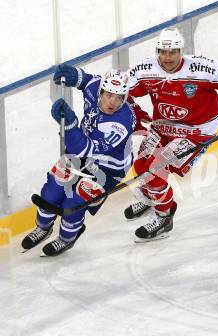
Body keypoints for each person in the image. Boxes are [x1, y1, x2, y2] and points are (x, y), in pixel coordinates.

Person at [124, 28, 218, 242]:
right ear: (157, 51)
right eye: (163, 52)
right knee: (140, 167)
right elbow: (120, 89)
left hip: (195, 132)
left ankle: (164, 216)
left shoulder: (200, 68)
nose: (168, 58)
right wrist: (133, 111)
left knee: (156, 168)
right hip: (162, 126)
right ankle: (152, 196)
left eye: (173, 52)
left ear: (181, 51)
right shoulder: (145, 69)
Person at [21, 65, 136, 256]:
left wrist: (72, 125)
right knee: (51, 192)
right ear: (101, 91)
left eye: (119, 97)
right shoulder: (96, 86)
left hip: (107, 169)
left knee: (73, 205)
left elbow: (85, 148)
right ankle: (43, 227)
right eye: (108, 95)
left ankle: (66, 239)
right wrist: (73, 75)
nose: (112, 102)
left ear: (124, 98)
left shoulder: (120, 123)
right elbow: (86, 80)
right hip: (80, 152)